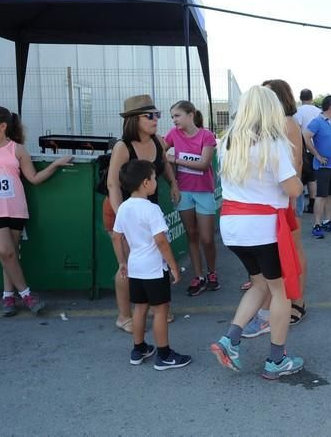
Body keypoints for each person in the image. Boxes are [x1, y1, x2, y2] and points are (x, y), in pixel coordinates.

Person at [209, 86, 305, 379]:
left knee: (259, 284)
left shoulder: (227, 142)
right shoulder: (273, 144)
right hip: (264, 228)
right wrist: (298, 184)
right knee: (280, 292)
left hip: (233, 227)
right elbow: (292, 189)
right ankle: (276, 360)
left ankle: (230, 339)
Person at [0, 106, 72, 316]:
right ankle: (26, 295)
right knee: (4, 251)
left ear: (2, 126)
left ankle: (8, 296)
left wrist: (56, 165)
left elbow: (33, 179)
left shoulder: (17, 149)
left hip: (14, 207)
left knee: (11, 254)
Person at [240, 79, 310, 338]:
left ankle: (297, 301)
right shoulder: (267, 127)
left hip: (285, 196)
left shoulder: (287, 123)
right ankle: (274, 303)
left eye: (268, 94)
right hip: (275, 197)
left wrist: (291, 199)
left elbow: (296, 162)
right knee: (279, 255)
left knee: (292, 250)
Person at [106, 95, 180, 333]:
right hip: (123, 211)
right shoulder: (122, 147)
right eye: (149, 115)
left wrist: (173, 183)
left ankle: (155, 307)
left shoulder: (158, 141)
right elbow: (113, 185)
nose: (156, 119)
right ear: (133, 120)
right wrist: (122, 218)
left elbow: (165, 165)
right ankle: (124, 315)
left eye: (156, 114)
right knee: (127, 264)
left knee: (154, 260)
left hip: (147, 211)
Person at [112, 159, 191, 370]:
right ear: (146, 182)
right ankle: (164, 354)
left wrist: (122, 262)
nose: (156, 181)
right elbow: (161, 241)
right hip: (154, 269)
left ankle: (138, 349)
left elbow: (116, 237)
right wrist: (173, 266)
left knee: (139, 309)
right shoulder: (152, 209)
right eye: (154, 178)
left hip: (135, 266)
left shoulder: (123, 208)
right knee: (160, 311)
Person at [164, 100, 218, 297]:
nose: (174, 120)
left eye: (177, 116)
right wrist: (173, 182)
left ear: (190, 115)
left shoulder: (206, 135)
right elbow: (158, 151)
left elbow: (204, 164)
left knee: (207, 238)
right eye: (172, 117)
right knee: (191, 235)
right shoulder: (173, 134)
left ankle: (212, 273)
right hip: (184, 191)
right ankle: (198, 275)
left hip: (204, 191)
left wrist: (175, 159)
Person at [304, 95, 331, 239]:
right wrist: (317, 155)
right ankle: (317, 224)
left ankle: (327, 221)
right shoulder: (317, 121)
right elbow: (306, 136)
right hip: (323, 166)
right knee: (320, 196)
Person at [294, 88, 321, 214]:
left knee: (301, 176)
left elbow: (297, 129)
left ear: (300, 98)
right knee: (313, 178)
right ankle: (312, 204)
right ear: (312, 97)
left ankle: (299, 205)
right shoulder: (319, 111)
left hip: (303, 148)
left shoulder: (298, 111)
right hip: (316, 148)